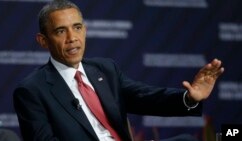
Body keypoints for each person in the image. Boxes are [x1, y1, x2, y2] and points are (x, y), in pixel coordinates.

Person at [13, 0, 224, 141]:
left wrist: (189, 98)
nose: (72, 38)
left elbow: (145, 96)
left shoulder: (105, 69)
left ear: (85, 30)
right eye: (61, 31)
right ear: (43, 41)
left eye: (77, 27)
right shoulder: (32, 90)